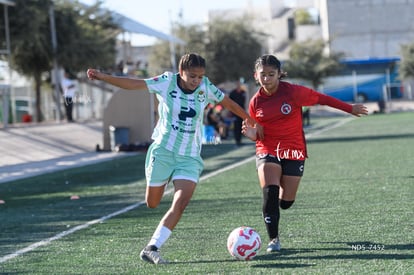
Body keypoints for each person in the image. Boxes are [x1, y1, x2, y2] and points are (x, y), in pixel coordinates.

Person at [86, 53, 262, 264]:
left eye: (200, 76)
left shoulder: (206, 86)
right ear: (181, 72)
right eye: (192, 76)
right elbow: (133, 84)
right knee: (152, 203)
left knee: (181, 202)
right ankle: (162, 177)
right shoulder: (166, 82)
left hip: (189, 156)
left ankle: (152, 247)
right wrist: (103, 76)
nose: (196, 80)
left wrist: (251, 121)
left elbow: (229, 103)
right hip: (163, 152)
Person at [242, 54, 368, 253]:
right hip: (267, 149)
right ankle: (273, 239)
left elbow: (321, 98)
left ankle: (282, 202)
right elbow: (258, 131)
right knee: (270, 192)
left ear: (279, 74)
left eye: (271, 74)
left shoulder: (293, 92)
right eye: (263, 75)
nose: (267, 79)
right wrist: (253, 135)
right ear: (256, 76)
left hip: (293, 150)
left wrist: (349, 108)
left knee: (286, 203)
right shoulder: (255, 102)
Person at [229, 81, 247, 146]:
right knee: (236, 126)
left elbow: (244, 102)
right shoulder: (232, 93)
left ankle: (240, 140)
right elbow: (229, 103)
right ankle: (237, 141)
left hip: (242, 112)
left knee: (241, 126)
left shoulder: (243, 92)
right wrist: (230, 112)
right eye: (238, 84)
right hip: (234, 112)